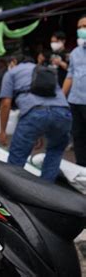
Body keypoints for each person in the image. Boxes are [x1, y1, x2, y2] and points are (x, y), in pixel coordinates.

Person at [0, 55, 72, 181]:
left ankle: (10, 191)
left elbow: (5, 103)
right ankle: (46, 191)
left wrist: (2, 131)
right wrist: (38, 134)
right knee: (55, 150)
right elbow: (49, 106)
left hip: (34, 113)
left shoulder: (12, 73)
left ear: (14, 61)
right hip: (63, 112)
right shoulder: (45, 71)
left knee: (17, 156)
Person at [63, 14, 86, 167]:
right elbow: (70, 76)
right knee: (78, 136)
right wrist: (60, 98)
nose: (81, 30)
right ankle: (82, 168)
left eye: (84, 26)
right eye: (79, 27)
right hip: (75, 101)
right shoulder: (75, 52)